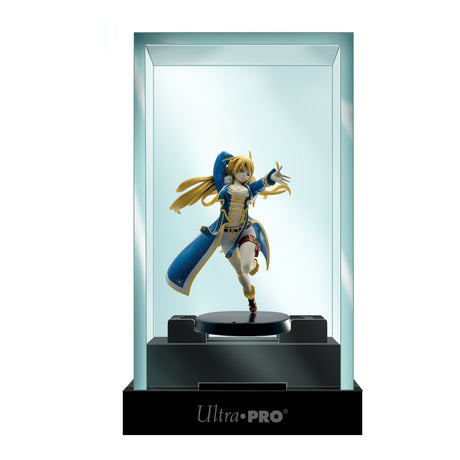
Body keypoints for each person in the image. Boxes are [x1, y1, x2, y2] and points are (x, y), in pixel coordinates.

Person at [166, 151, 290, 313]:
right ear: (234, 171)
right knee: (240, 272)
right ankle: (251, 297)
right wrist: (235, 160)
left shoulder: (249, 189)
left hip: (245, 231)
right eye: (242, 171)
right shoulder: (224, 189)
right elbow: (220, 158)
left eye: (248, 173)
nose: (245, 175)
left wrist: (271, 177)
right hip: (226, 238)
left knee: (246, 267)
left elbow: (261, 183)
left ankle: (253, 262)